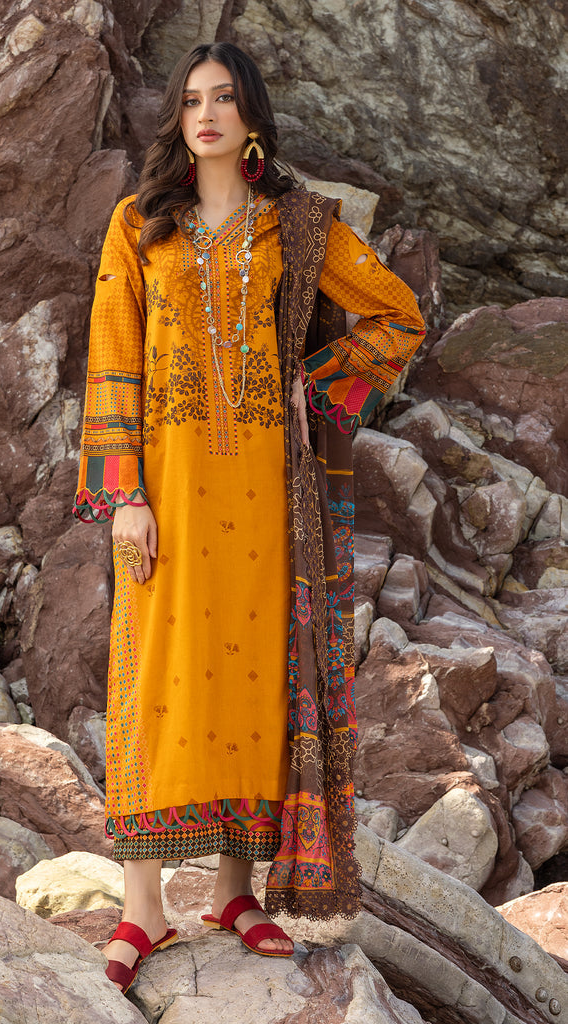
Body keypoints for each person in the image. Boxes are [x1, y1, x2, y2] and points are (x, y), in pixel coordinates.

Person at [73, 41, 426, 993]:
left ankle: (235, 893)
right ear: (178, 119)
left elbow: (396, 315)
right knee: (151, 679)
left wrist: (314, 385)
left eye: (224, 98)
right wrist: (123, 495)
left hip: (270, 495)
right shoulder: (139, 226)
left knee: (254, 682)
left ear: (252, 116)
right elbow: (112, 363)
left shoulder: (297, 228)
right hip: (168, 493)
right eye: (191, 100)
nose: (206, 114)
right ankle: (142, 907)